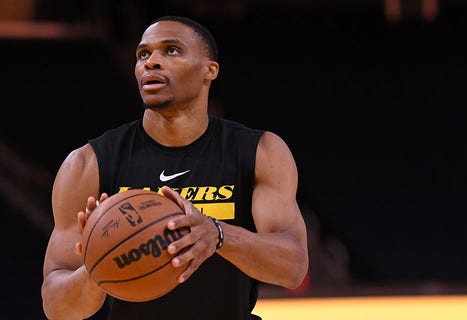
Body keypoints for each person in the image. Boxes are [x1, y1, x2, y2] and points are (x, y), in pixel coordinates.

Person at [41, 15, 309, 320]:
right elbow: (56, 309)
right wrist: (98, 266)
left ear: (210, 70)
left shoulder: (260, 151)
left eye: (171, 50)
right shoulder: (88, 163)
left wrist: (219, 235)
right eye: (143, 54)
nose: (151, 62)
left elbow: (294, 269)